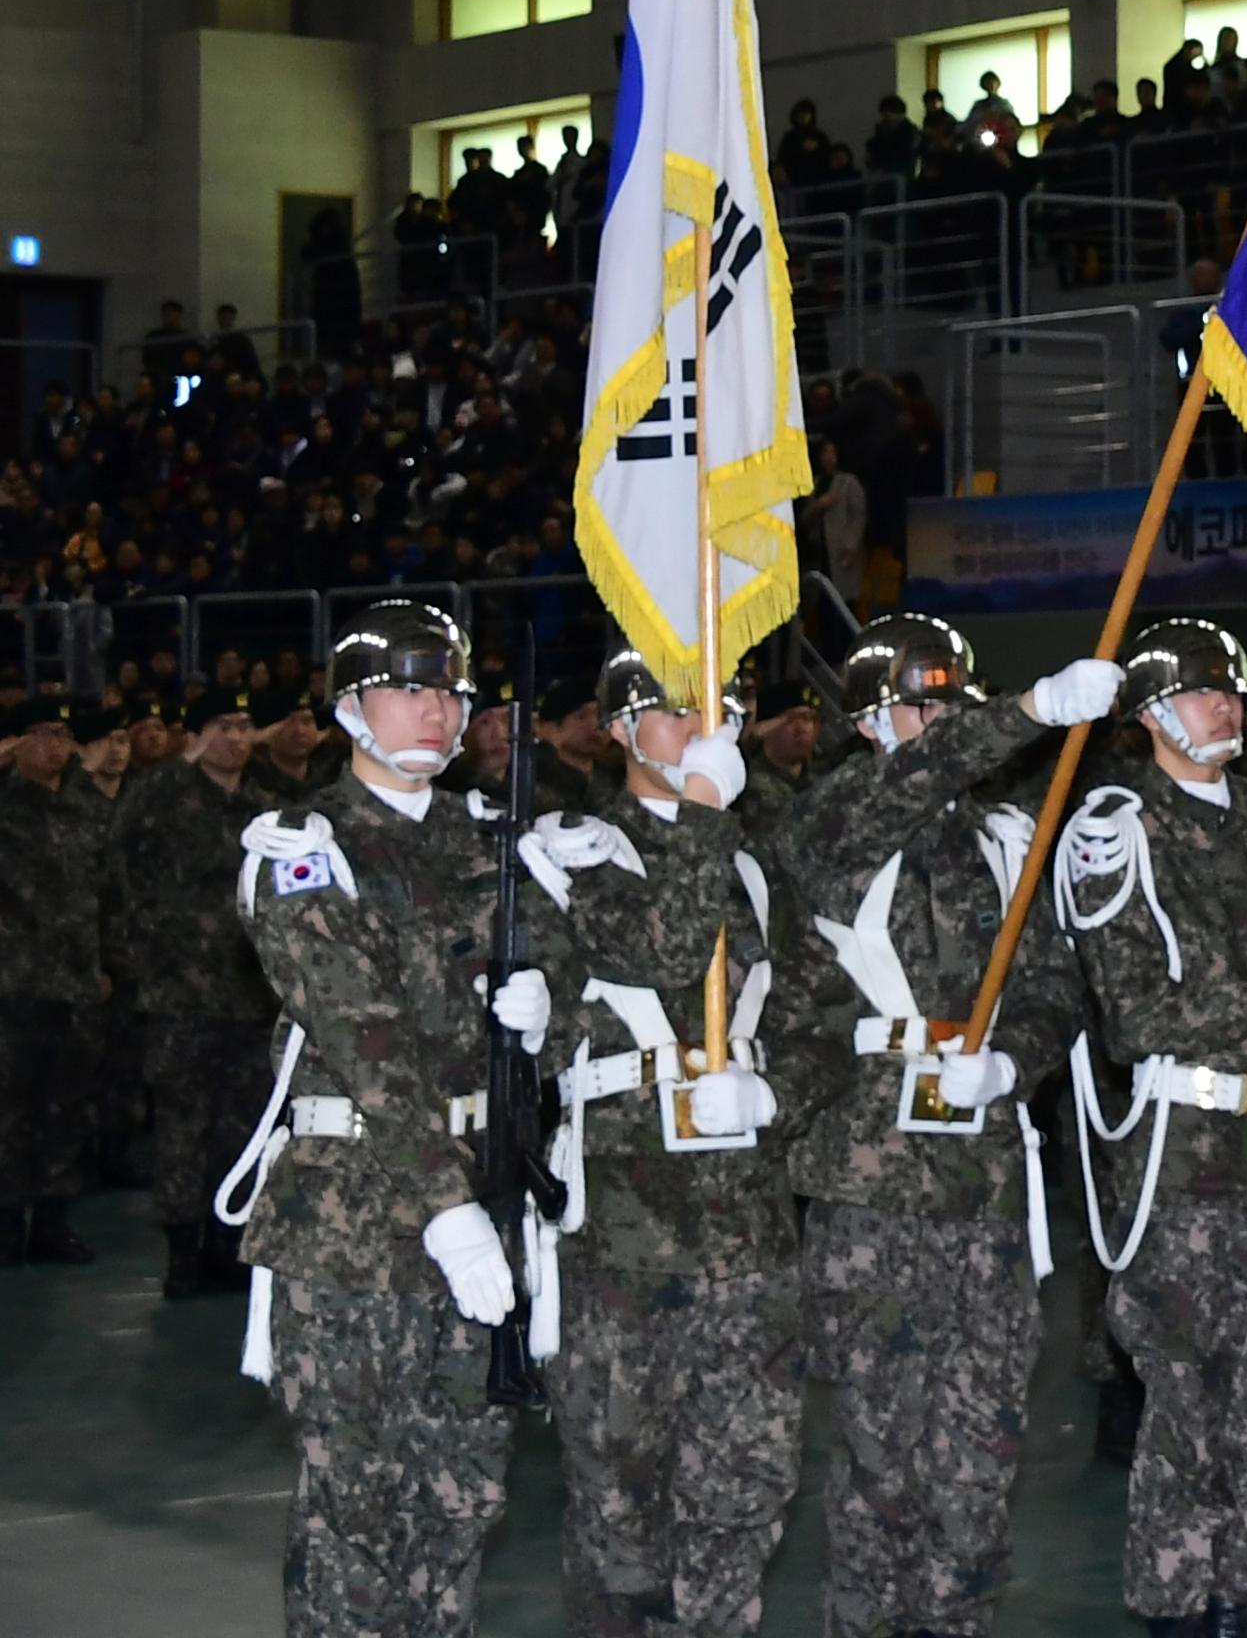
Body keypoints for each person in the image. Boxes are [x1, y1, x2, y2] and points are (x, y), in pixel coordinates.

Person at [784, 616, 1121, 1638]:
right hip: (872, 1179)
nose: (938, 724)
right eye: (920, 705)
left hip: (984, 1179)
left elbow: (1055, 985)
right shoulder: (836, 815)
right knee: (881, 1454)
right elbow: (906, 785)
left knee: (982, 1447)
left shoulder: (1007, 836)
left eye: (952, 705)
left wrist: (1012, 1058)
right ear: (871, 717)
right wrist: (1026, 713)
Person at [221, 602, 535, 1637]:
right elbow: (364, 1032)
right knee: (361, 1509)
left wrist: (550, 1000)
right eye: (410, 686)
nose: (436, 708)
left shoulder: (491, 835)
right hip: (355, 1223)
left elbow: (575, 965)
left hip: (483, 1203)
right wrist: (446, 1206)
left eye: (449, 689)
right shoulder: (304, 846)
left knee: (461, 1497)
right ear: (351, 705)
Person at [1057, 621, 1247, 1623]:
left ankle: (1237, 1585)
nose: (1224, 704)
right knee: (1187, 1401)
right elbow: (1133, 1010)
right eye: (1199, 692)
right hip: (1184, 1152)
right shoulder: (1117, 829)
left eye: (1231, 688)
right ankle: (1178, 1603)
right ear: (1149, 715)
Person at [524, 648, 796, 1638]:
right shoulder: (572, 847)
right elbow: (661, 947)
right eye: (684, 710)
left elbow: (811, 1018)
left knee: (748, 1468)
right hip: (622, 1225)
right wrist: (708, 818)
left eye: (728, 708)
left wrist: (774, 1092)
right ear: (621, 727)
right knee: (618, 1476)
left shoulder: (755, 866)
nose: (710, 728)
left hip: (745, 1222)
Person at [105, 682, 276, 1299]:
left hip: (250, 994)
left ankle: (229, 1244)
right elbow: (118, 856)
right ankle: (182, 1250)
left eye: (243, 724)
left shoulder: (263, 808)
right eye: (222, 725)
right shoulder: (162, 797)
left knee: (243, 1128)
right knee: (181, 1126)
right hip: (178, 993)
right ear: (198, 737)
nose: (234, 737)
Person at [0, 696, 112, 1264]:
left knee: (66, 1108)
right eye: (40, 733)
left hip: (75, 981)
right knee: (8, 1107)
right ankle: (4, 1221)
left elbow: (108, 892)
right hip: (11, 983)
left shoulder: (85, 806)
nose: (54, 745)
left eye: (62, 734)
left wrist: (106, 966)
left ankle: (51, 1220)